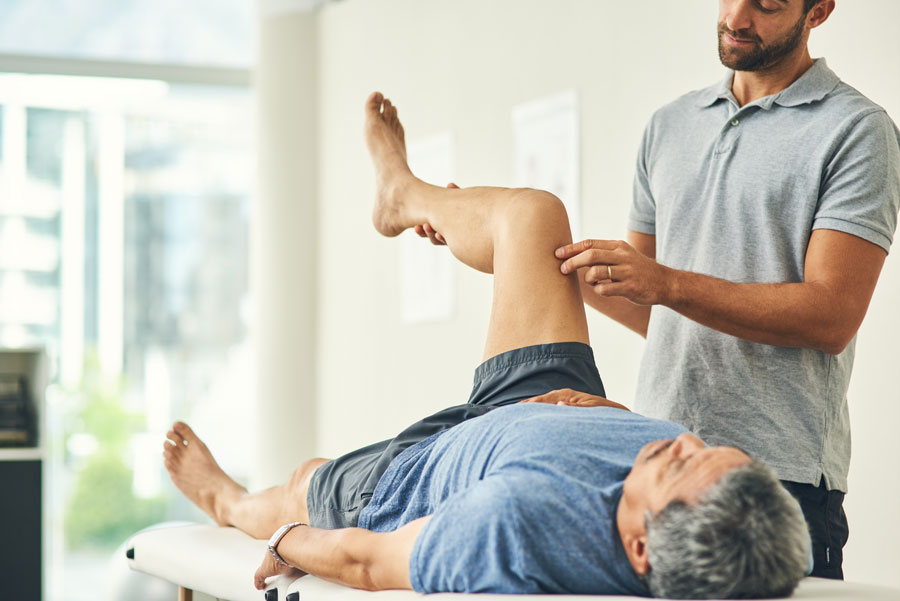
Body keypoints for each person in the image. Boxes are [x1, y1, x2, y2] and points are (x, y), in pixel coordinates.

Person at [163, 92, 811, 598]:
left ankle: (224, 497)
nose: (683, 439)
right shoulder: (693, 482)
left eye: (676, 463)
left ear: (639, 549)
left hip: (415, 476)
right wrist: (601, 415)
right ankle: (403, 194)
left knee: (305, 481)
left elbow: (368, 560)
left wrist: (289, 542)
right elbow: (678, 453)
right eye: (707, 448)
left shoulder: (514, 525)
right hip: (547, 401)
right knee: (533, 216)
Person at [412, 0, 900, 579]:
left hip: (775, 479)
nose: (737, 18)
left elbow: (832, 316)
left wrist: (667, 282)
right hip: (650, 463)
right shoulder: (670, 125)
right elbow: (650, 307)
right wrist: (513, 249)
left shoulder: (857, 130)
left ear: (818, 10)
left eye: (767, 4)